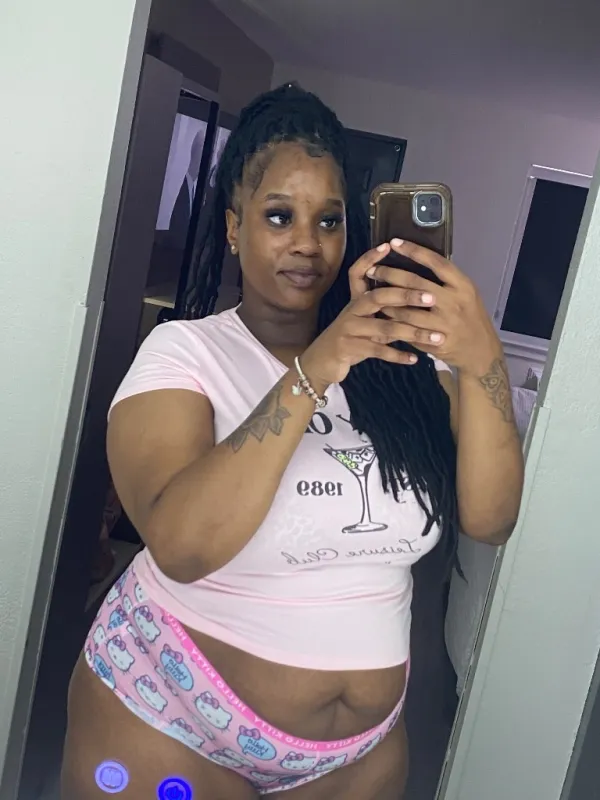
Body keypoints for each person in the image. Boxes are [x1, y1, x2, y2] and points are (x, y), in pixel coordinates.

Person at [61, 84, 524, 799]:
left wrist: (481, 356)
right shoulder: (184, 352)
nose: (308, 243)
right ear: (234, 228)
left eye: (329, 220)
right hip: (172, 715)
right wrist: (316, 367)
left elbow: (490, 519)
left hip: (357, 756)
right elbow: (181, 545)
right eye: (279, 216)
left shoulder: (404, 373)